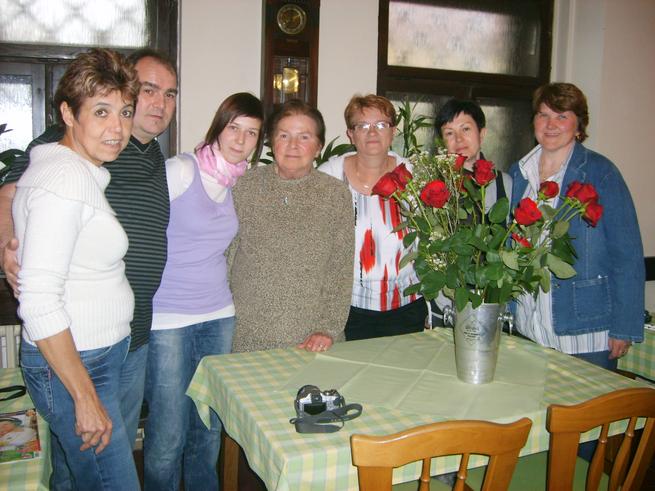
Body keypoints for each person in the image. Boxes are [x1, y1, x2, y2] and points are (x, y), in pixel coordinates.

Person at [0, 48, 178, 489]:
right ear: (68, 113)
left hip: (121, 340)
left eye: (123, 112)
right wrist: (9, 248)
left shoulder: (126, 159)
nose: (115, 127)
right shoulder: (62, 174)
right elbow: (38, 297)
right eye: (101, 112)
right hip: (79, 358)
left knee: (84, 472)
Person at [144, 93, 264, 490]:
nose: (241, 140)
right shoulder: (182, 170)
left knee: (208, 426)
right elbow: (136, 225)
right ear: (218, 126)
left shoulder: (236, 182)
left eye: (252, 133)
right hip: (168, 316)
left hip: (218, 315)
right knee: (168, 432)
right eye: (234, 127)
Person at [509, 82, 644, 370]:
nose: (551, 125)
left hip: (586, 330)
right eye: (544, 115)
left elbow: (627, 254)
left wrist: (625, 326)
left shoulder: (600, 172)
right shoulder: (519, 173)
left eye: (562, 116)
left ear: (578, 124)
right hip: (529, 326)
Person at [230, 99, 353, 353]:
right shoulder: (244, 187)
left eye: (304, 137)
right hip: (246, 334)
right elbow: (226, 256)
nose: (293, 145)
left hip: (313, 339)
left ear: (318, 147)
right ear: (272, 142)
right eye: (284, 135)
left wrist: (327, 328)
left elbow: (340, 268)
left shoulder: (335, 194)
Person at [320, 94, 427, 340]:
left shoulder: (414, 175)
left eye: (381, 124)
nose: (372, 133)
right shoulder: (329, 176)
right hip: (346, 309)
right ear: (351, 134)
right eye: (362, 125)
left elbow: (430, 239)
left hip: (406, 305)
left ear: (393, 131)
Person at [433, 98, 513, 326]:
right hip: (445, 304)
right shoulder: (434, 187)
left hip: (492, 302)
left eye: (466, 129)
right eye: (449, 133)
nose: (458, 140)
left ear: (482, 133)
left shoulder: (505, 183)